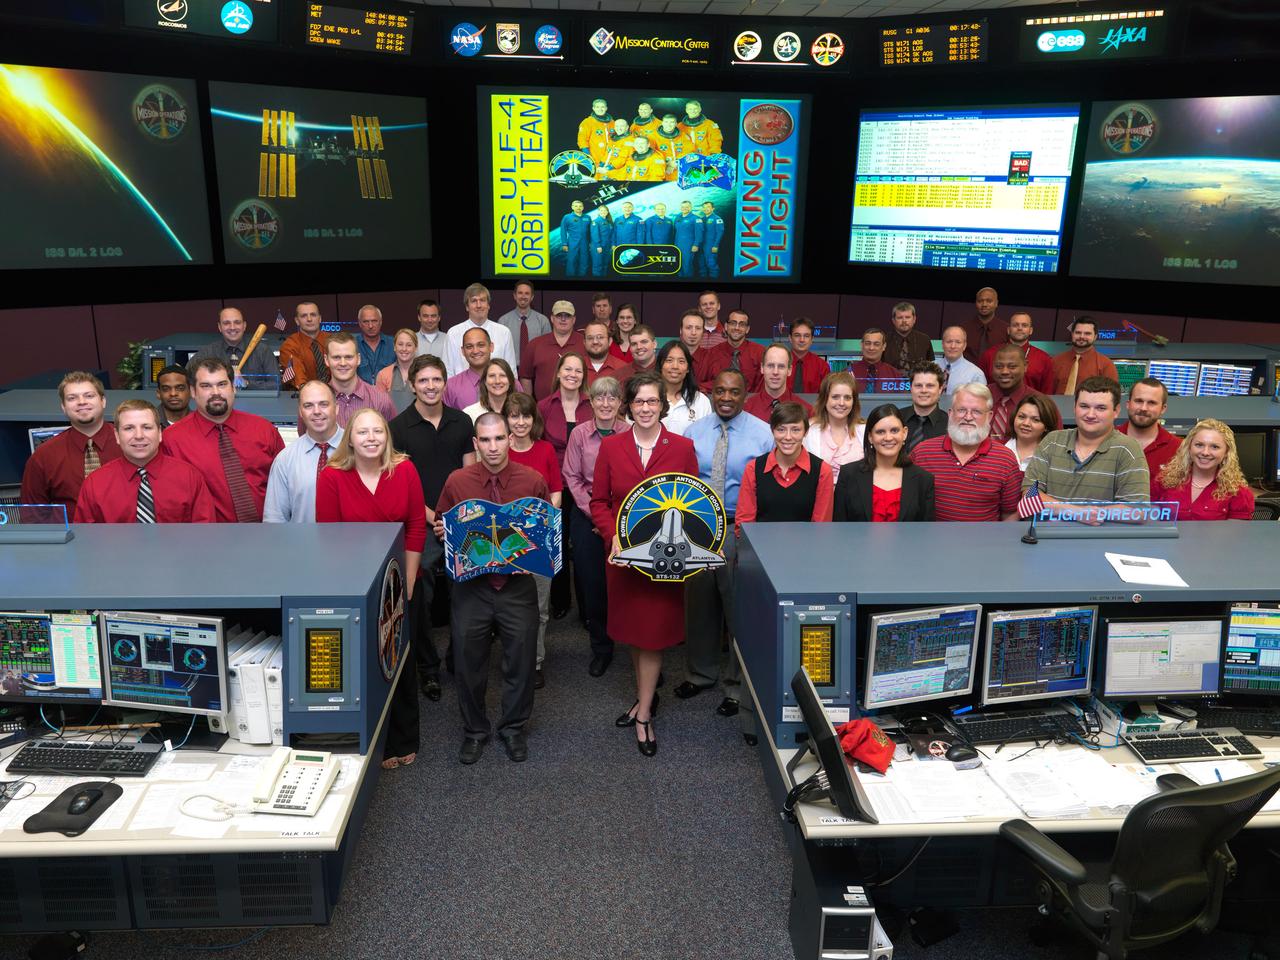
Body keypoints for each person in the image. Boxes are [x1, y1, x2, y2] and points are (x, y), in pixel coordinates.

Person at [590, 374, 700, 757]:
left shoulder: (682, 448)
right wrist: (612, 537)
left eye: (652, 401)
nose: (646, 408)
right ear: (629, 406)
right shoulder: (612, 446)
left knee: (652, 637)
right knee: (634, 634)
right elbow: (598, 502)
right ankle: (644, 697)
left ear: (662, 406)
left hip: (663, 563)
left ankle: (644, 715)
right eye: (639, 402)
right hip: (623, 560)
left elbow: (694, 505)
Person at [434, 414, 551, 765]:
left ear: (510, 439)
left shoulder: (532, 480)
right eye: (485, 440)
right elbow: (442, 521)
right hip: (472, 588)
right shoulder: (457, 481)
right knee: (468, 662)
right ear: (476, 444)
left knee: (522, 661)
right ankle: (474, 730)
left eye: (499, 438)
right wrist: (443, 531)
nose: (493, 446)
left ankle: (513, 728)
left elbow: (545, 531)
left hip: (518, 586)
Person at [316, 408, 424, 770]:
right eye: (362, 432)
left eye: (378, 431)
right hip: (356, 584)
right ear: (350, 437)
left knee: (400, 663)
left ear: (387, 436)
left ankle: (404, 737)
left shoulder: (404, 470)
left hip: (399, 581)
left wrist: (408, 582)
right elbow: (328, 537)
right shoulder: (332, 476)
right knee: (365, 666)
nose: (371, 438)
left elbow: (416, 527)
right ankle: (376, 743)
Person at [681, 371, 776, 719]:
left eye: (734, 392)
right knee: (699, 605)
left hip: (740, 528)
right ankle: (700, 674)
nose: (726, 397)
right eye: (719, 391)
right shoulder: (694, 432)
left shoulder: (763, 434)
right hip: (699, 528)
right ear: (712, 393)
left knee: (738, 609)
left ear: (745, 394)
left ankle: (737, 686)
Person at [389, 354, 476, 702]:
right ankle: (427, 668)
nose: (430, 386)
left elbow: (470, 475)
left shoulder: (461, 421)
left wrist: (453, 518)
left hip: (459, 520)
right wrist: (434, 518)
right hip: (419, 522)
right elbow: (401, 486)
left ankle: (458, 656)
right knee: (419, 597)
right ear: (412, 385)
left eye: (436, 379)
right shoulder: (398, 428)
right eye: (423, 380)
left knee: (465, 592)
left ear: (445, 382)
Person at [162, 358, 285, 522]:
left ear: (233, 387)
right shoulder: (172, 439)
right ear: (193, 391)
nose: (216, 392)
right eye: (206, 386)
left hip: (269, 530)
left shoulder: (263, 429)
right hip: (207, 534)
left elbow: (285, 484)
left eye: (222, 384)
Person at [562, 377, 629, 678]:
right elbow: (572, 477)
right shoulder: (579, 434)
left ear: (620, 402)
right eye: (599, 398)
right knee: (594, 585)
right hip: (586, 513)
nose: (605, 403)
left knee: (628, 584)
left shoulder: (630, 432)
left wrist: (612, 521)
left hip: (623, 516)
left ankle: (637, 649)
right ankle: (601, 649)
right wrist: (595, 516)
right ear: (590, 402)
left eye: (611, 398)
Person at [504, 393, 563, 688]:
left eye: (525, 416)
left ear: (533, 419)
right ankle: (512, 660)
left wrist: (537, 525)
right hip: (505, 541)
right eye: (514, 416)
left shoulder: (545, 449)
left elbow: (556, 493)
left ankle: (536, 661)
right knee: (507, 607)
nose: (520, 422)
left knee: (539, 607)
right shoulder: (498, 450)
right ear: (506, 420)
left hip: (540, 539)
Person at [74, 400, 215, 524]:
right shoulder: (95, 483)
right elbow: (85, 538)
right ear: (117, 435)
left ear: (159, 433)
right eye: (129, 428)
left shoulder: (190, 477)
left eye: (147, 427)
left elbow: (205, 534)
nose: (139, 436)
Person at [1023, 376, 1151, 506]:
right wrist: (1073, 511)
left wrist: (1088, 515)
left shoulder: (1128, 449)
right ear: (1074, 407)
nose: (1090, 415)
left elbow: (1136, 508)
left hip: (1096, 522)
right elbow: (1029, 493)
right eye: (1084, 406)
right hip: (1050, 521)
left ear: (1116, 411)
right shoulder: (1052, 441)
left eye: (1100, 408)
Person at [911, 383, 1021, 522]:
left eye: (976, 411)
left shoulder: (1005, 459)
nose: (968, 417)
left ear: (989, 416)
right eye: (961, 410)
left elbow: (1010, 513)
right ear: (950, 413)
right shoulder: (922, 453)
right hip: (930, 536)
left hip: (984, 537)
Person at [538, 353, 590, 619]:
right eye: (568, 369)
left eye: (578, 370)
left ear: (584, 376)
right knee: (556, 544)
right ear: (558, 372)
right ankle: (560, 602)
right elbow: (537, 447)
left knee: (583, 549)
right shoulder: (544, 406)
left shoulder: (591, 405)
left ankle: (587, 608)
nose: (572, 374)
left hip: (585, 488)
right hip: (555, 487)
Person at [736, 401, 835, 536]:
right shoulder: (753, 468)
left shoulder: (822, 471)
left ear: (805, 432)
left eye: (796, 430)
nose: (788, 437)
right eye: (781, 429)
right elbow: (744, 525)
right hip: (760, 546)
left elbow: (821, 528)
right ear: (772, 431)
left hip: (807, 547)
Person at [833, 404, 935, 522]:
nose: (888, 438)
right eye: (880, 432)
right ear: (870, 437)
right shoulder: (848, 475)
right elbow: (839, 527)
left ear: (904, 433)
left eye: (894, 431)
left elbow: (925, 530)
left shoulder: (924, 479)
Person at [264, 380, 344, 523]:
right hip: (301, 538)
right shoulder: (285, 460)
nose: (317, 411)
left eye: (324, 404)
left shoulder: (357, 450)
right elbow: (275, 520)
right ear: (301, 412)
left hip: (352, 537)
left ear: (336, 408)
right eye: (308, 406)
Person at [1152, 419, 1255, 521]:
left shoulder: (1238, 492)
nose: (1205, 452)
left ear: (1226, 453)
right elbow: (1150, 522)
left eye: (1214, 447)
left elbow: (1235, 531)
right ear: (1189, 447)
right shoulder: (1164, 481)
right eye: (1199, 445)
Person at [323, 332, 397, 426]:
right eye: (336, 357)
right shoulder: (315, 402)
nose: (343, 363)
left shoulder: (381, 400)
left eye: (349, 357)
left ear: (358, 359)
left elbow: (393, 434)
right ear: (326, 360)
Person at [443, 283, 518, 377]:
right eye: (474, 301)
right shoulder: (453, 333)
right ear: (467, 307)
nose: (479, 305)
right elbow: (448, 371)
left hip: (497, 385)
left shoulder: (504, 332)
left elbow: (511, 371)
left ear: (488, 305)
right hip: (462, 386)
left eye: (482, 300)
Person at [804, 372, 864, 484]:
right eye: (835, 397)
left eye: (847, 398)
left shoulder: (864, 431)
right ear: (825, 399)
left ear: (854, 401)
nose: (841, 403)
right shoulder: (808, 432)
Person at [1118, 377, 1181, 482]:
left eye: (1151, 403)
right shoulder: (1107, 439)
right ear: (1128, 404)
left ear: (1163, 409)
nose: (1143, 408)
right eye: (1138, 401)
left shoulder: (1178, 449)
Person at [520, 300, 586, 399]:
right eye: (559, 315)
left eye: (567, 316)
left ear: (574, 319)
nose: (563, 319)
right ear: (552, 318)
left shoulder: (585, 343)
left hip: (579, 405)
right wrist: (529, 404)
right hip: (542, 406)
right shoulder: (535, 344)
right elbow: (525, 377)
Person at [191, 307, 278, 381]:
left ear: (244, 326)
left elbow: (276, 384)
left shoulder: (263, 351)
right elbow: (187, 378)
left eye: (237, 322)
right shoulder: (207, 352)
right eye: (226, 323)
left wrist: (246, 384)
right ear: (219, 327)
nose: (232, 327)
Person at [980, 312, 1053, 393]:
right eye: (1015, 325)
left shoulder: (1044, 359)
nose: (1020, 328)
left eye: (1024, 325)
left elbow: (1047, 393)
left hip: (1031, 400)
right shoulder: (990, 355)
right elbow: (981, 389)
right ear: (1008, 330)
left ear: (1030, 330)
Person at [744, 344, 814, 422]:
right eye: (770, 366)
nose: (775, 372)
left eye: (781, 366)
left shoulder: (807, 411)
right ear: (762, 368)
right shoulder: (745, 409)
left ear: (789, 370)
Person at [700, 308, 762, 392]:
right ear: (726, 326)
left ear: (747, 329)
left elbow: (763, 386)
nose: (737, 328)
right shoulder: (712, 354)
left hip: (751, 399)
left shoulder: (759, 353)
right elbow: (702, 384)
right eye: (733, 323)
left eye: (742, 324)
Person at [657, 341, 712, 436]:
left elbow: (706, 437)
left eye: (681, 361)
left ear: (688, 368)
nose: (675, 366)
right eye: (669, 360)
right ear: (660, 365)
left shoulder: (701, 401)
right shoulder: (648, 398)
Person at [1052, 316, 1118, 394]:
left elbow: (1111, 395)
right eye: (1078, 332)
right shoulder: (1055, 361)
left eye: (1087, 333)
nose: (1082, 336)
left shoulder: (1106, 365)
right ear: (1072, 334)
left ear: (1095, 337)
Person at [988, 344, 1035, 443]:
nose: (1004, 371)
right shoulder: (978, 397)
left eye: (1012, 367)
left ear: (1025, 366)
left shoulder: (1038, 402)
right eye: (999, 366)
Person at [495, 280, 550, 364]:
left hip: (535, 368)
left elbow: (547, 349)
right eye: (520, 293)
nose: (523, 296)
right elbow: (499, 350)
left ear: (532, 297)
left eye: (527, 293)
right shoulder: (503, 321)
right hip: (510, 368)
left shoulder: (543, 321)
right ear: (514, 296)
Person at [278, 301, 330, 389]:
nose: (309, 319)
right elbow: (299, 377)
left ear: (320, 318)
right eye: (304, 316)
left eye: (313, 315)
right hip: (304, 393)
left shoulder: (333, 341)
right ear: (297, 321)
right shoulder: (289, 345)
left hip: (336, 393)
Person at [1006, 393, 1061, 472]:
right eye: (1021, 417)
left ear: (1046, 426)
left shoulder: (1054, 458)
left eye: (1036, 420)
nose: (1026, 423)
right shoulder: (997, 450)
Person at [899, 362, 947, 453]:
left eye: (930, 386)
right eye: (918, 385)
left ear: (940, 389)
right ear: (911, 388)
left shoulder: (950, 425)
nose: (924, 390)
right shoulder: (896, 419)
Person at [443, 326, 493, 410]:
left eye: (481, 345)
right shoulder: (450, 386)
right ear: (463, 351)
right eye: (469, 347)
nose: (475, 351)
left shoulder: (509, 383)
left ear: (491, 347)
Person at [849, 328, 904, 394]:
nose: (871, 348)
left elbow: (902, 399)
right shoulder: (848, 373)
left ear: (884, 346)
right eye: (867, 343)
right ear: (861, 345)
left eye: (876, 344)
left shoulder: (895, 375)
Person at [960, 286, 1007, 363]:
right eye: (980, 301)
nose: (984, 304)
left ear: (996, 303)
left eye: (989, 301)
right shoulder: (963, 329)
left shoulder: (1006, 330)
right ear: (976, 303)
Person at [884, 302, 935, 371]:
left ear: (914, 319)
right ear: (893, 320)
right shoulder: (884, 340)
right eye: (900, 317)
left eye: (907, 317)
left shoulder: (925, 339)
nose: (904, 321)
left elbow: (930, 366)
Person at [938, 325, 986, 395]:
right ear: (942, 344)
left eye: (958, 342)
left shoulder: (976, 374)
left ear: (964, 345)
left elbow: (981, 400)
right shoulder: (930, 368)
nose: (953, 346)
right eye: (949, 341)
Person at [463, 359, 515, 423]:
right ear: (485, 381)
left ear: (510, 381)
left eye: (502, 375)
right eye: (492, 376)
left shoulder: (521, 411)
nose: (497, 381)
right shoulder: (469, 414)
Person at [375, 328, 418, 405]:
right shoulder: (383, 374)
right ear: (394, 347)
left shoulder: (424, 373)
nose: (404, 349)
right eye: (400, 344)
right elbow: (379, 406)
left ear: (416, 348)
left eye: (409, 345)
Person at [789, 317, 831, 393]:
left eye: (806, 336)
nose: (802, 340)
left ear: (812, 339)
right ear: (790, 338)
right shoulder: (779, 363)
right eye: (797, 335)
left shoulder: (822, 366)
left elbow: (825, 395)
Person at [355, 305, 395, 385]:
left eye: (374, 321)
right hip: (360, 391)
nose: (370, 326)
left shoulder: (394, 344)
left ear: (381, 322)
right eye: (366, 322)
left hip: (388, 391)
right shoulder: (352, 344)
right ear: (360, 323)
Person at [676, 309, 716, 386]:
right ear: (681, 330)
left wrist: (694, 390)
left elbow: (717, 382)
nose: (693, 333)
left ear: (703, 332)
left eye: (698, 328)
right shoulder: (670, 355)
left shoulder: (711, 358)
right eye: (688, 328)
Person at [583, 319, 626, 386]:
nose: (595, 342)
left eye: (600, 337)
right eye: (590, 338)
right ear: (584, 342)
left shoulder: (623, 368)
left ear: (610, 341)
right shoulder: (576, 367)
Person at [653, 114, 695, 181]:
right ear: (662, 123)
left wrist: (676, 162)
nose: (669, 125)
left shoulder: (683, 136)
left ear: (676, 124)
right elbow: (652, 154)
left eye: (672, 122)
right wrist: (666, 164)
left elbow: (689, 150)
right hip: (661, 168)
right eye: (666, 122)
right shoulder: (653, 137)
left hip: (679, 166)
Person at [560, 199, 591, 277]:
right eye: (576, 206)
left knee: (584, 261)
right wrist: (564, 244)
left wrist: (591, 242)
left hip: (585, 243)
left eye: (580, 206)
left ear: (583, 207)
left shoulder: (587, 217)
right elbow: (563, 231)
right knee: (571, 261)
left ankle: (582, 277)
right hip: (572, 242)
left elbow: (590, 231)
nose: (578, 208)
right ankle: (570, 278)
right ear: (572, 207)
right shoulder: (567, 217)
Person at [577, 98, 612, 166]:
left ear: (606, 108)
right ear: (593, 108)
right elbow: (582, 141)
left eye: (602, 107)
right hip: (595, 158)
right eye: (597, 107)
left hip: (610, 157)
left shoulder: (611, 122)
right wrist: (588, 157)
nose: (600, 109)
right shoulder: (587, 122)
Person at [672, 200, 701, 278]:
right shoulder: (678, 217)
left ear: (690, 207)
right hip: (677, 244)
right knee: (678, 263)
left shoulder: (696, 218)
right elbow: (675, 231)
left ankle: (687, 280)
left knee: (687, 264)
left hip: (689, 245)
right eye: (683, 207)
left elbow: (699, 233)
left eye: (687, 207)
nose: (684, 208)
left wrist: (696, 244)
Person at [698, 204, 725, 279]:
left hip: (711, 245)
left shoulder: (717, 219)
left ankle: (714, 281)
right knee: (701, 265)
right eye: (704, 207)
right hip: (701, 245)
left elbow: (720, 233)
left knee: (711, 264)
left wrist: (716, 245)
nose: (706, 209)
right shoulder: (701, 219)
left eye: (708, 207)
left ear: (713, 208)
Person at [590, 206, 615, 277]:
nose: (603, 212)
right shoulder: (595, 222)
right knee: (598, 266)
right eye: (601, 210)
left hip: (607, 246)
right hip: (598, 247)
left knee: (605, 265)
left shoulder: (609, 222)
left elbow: (611, 234)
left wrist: (612, 244)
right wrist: (598, 246)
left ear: (607, 212)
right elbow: (595, 235)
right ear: (598, 212)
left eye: (605, 210)